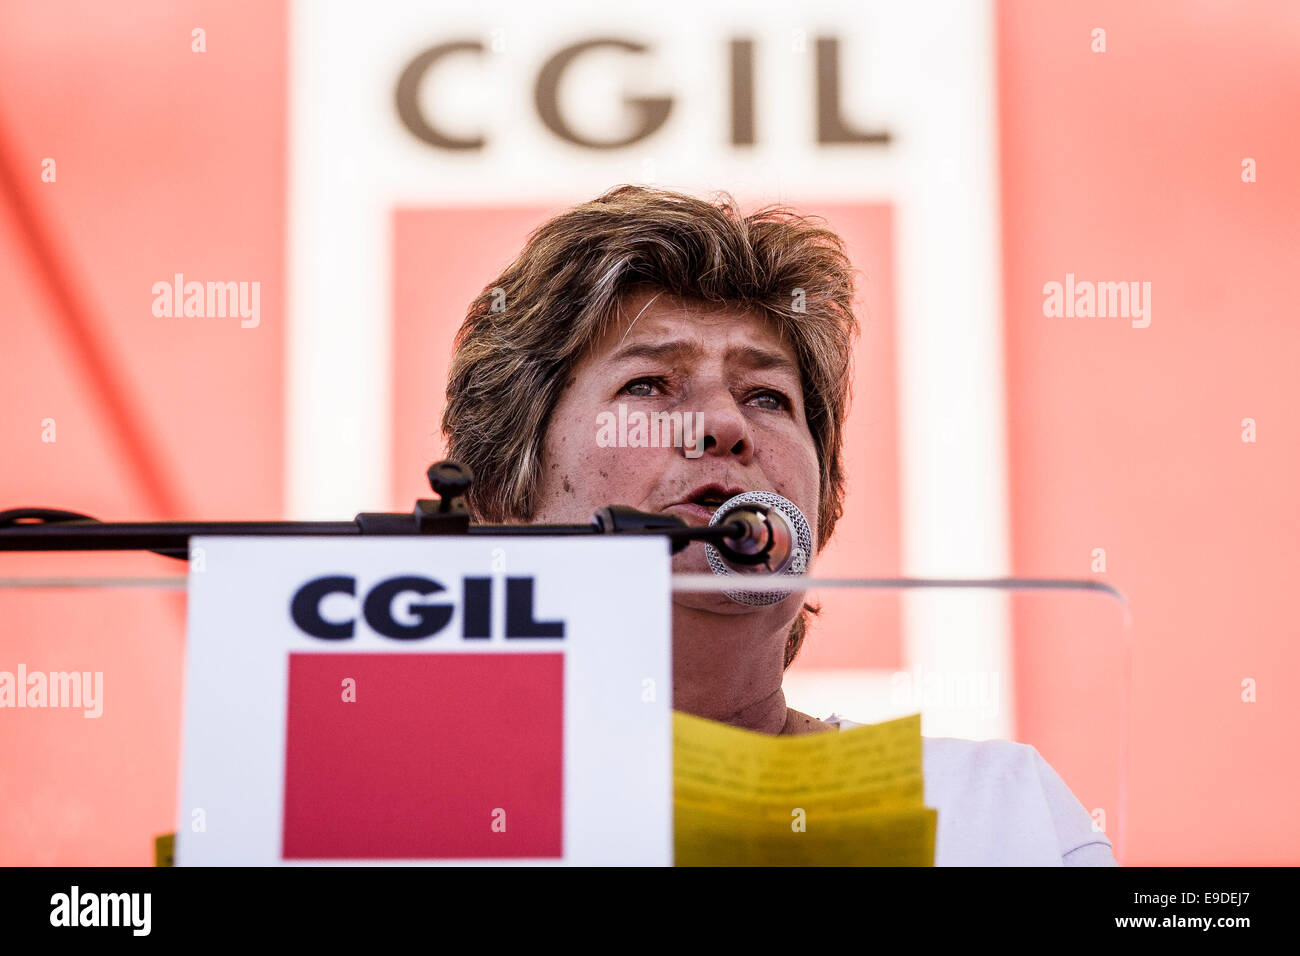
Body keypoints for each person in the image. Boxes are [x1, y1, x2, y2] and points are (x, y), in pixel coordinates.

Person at [440, 184, 1117, 866]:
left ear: (819, 510)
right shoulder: (420, 817)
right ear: (505, 495)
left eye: (766, 397)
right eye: (647, 385)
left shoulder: (997, 813)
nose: (726, 426)